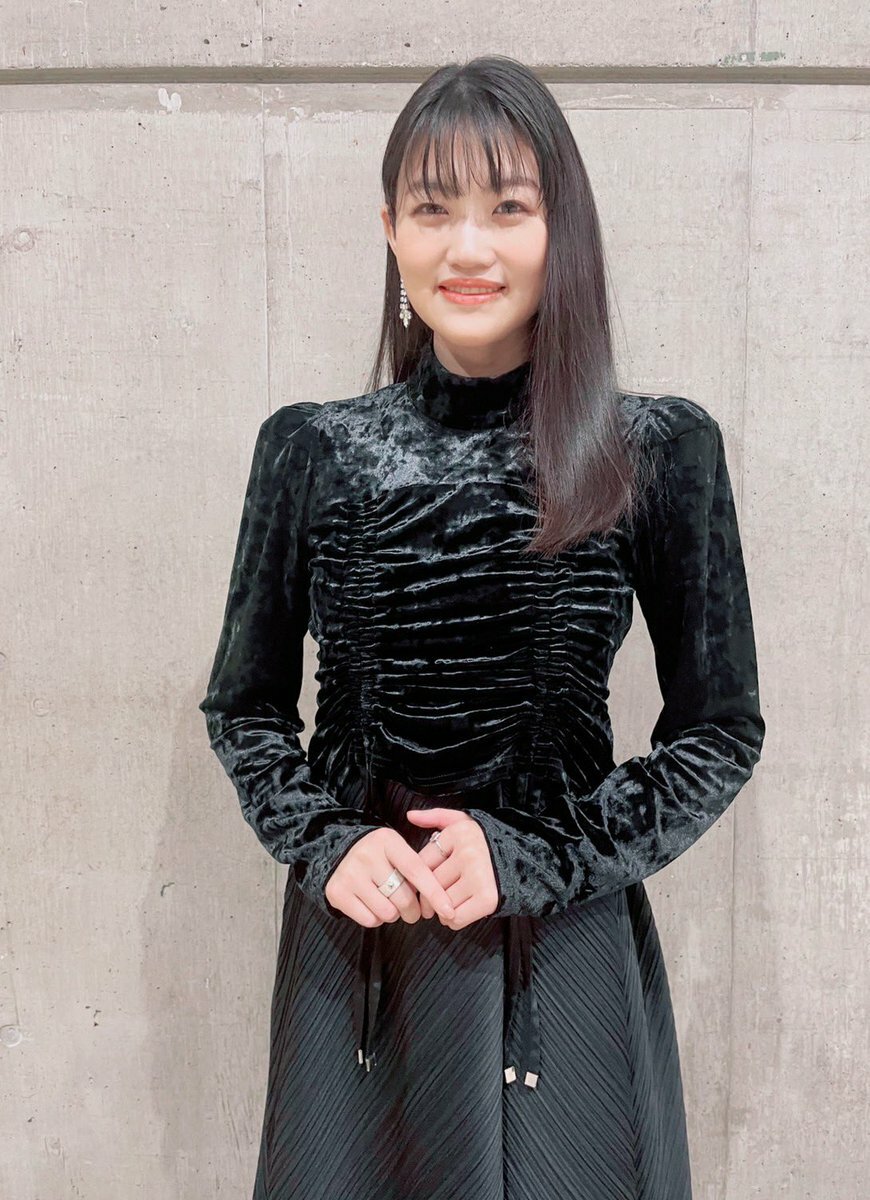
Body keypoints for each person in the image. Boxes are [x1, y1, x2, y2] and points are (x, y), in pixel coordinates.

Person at [199, 53, 765, 1200]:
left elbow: (720, 729)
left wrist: (536, 856)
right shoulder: (313, 450)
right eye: (432, 209)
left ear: (563, 229)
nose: (468, 248)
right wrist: (329, 843)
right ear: (389, 231)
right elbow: (245, 707)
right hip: (363, 966)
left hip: (565, 955)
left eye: (508, 208)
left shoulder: (657, 449)